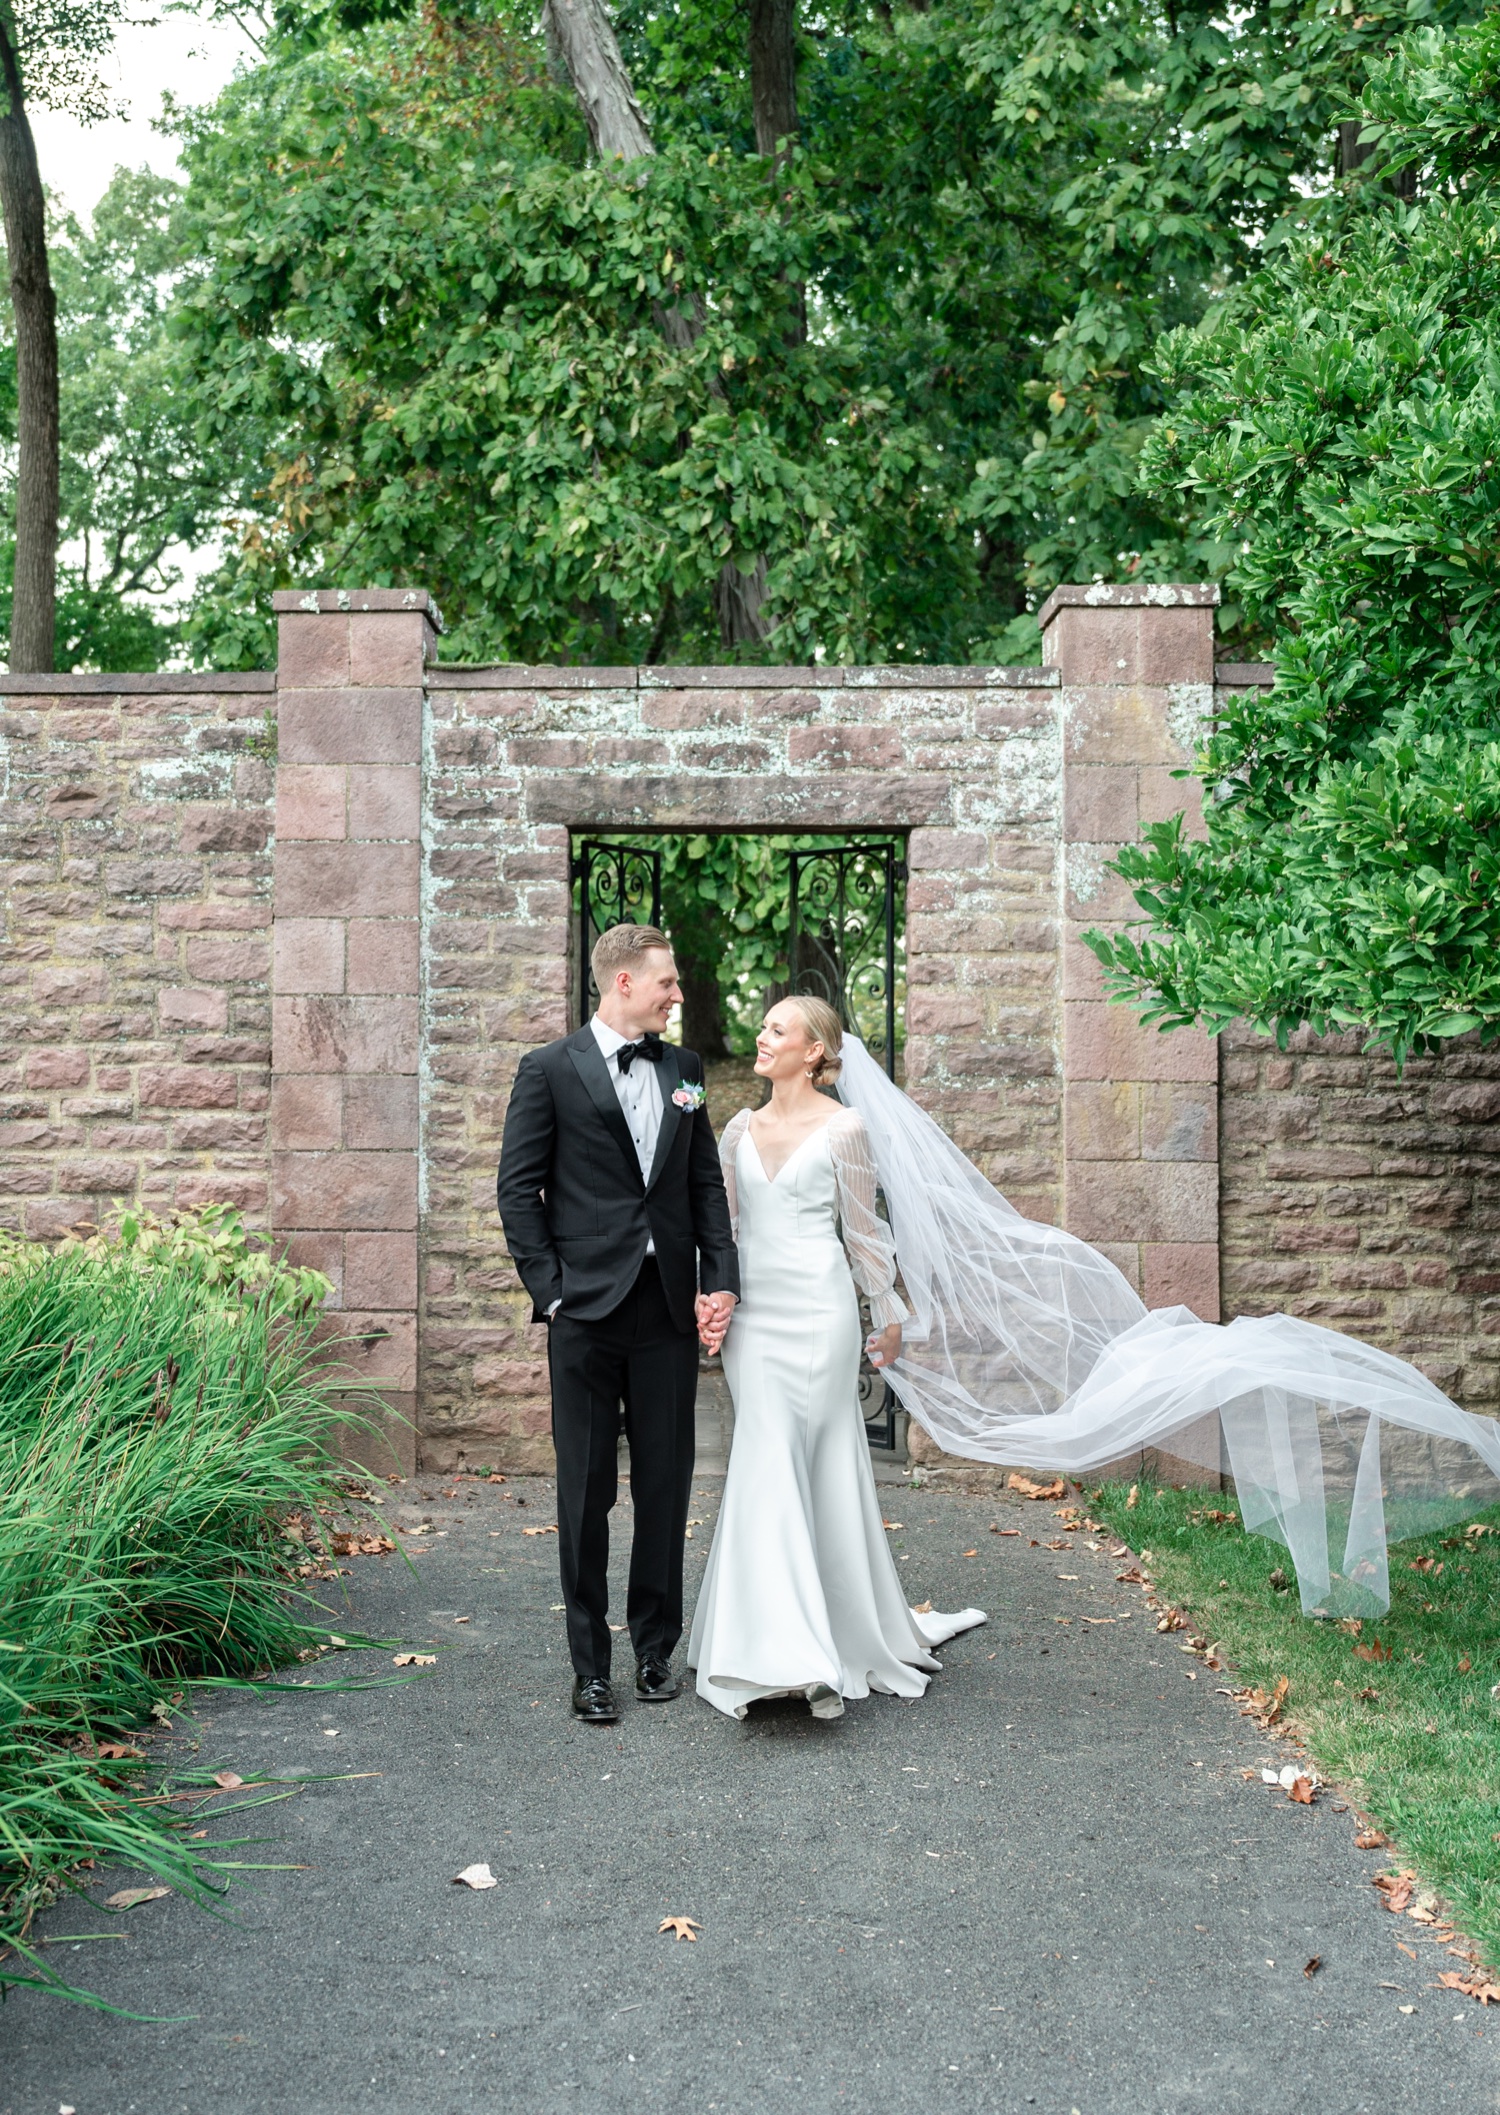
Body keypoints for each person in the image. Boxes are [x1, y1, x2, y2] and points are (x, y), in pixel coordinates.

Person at [688, 997, 984, 1721]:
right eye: (763, 1026)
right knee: (763, 1454)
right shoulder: (735, 1128)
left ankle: (824, 1641)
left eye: (777, 1029)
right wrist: (711, 1299)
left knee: (817, 1461)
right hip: (756, 1321)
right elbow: (719, 1230)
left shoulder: (845, 1127)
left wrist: (889, 1317)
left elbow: (864, 1231)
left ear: (815, 1050)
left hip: (821, 1317)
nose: (762, 1036)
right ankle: (775, 1649)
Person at [496, 924, 739, 1724]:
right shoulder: (548, 1070)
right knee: (586, 1490)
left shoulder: (685, 1071)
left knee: (666, 1487)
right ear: (625, 982)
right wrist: (553, 1292)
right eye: (667, 982)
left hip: (665, 1308)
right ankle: (589, 1666)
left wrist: (719, 1280)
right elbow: (517, 1191)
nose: (679, 995)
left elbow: (704, 1184)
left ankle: (656, 1648)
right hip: (586, 1317)